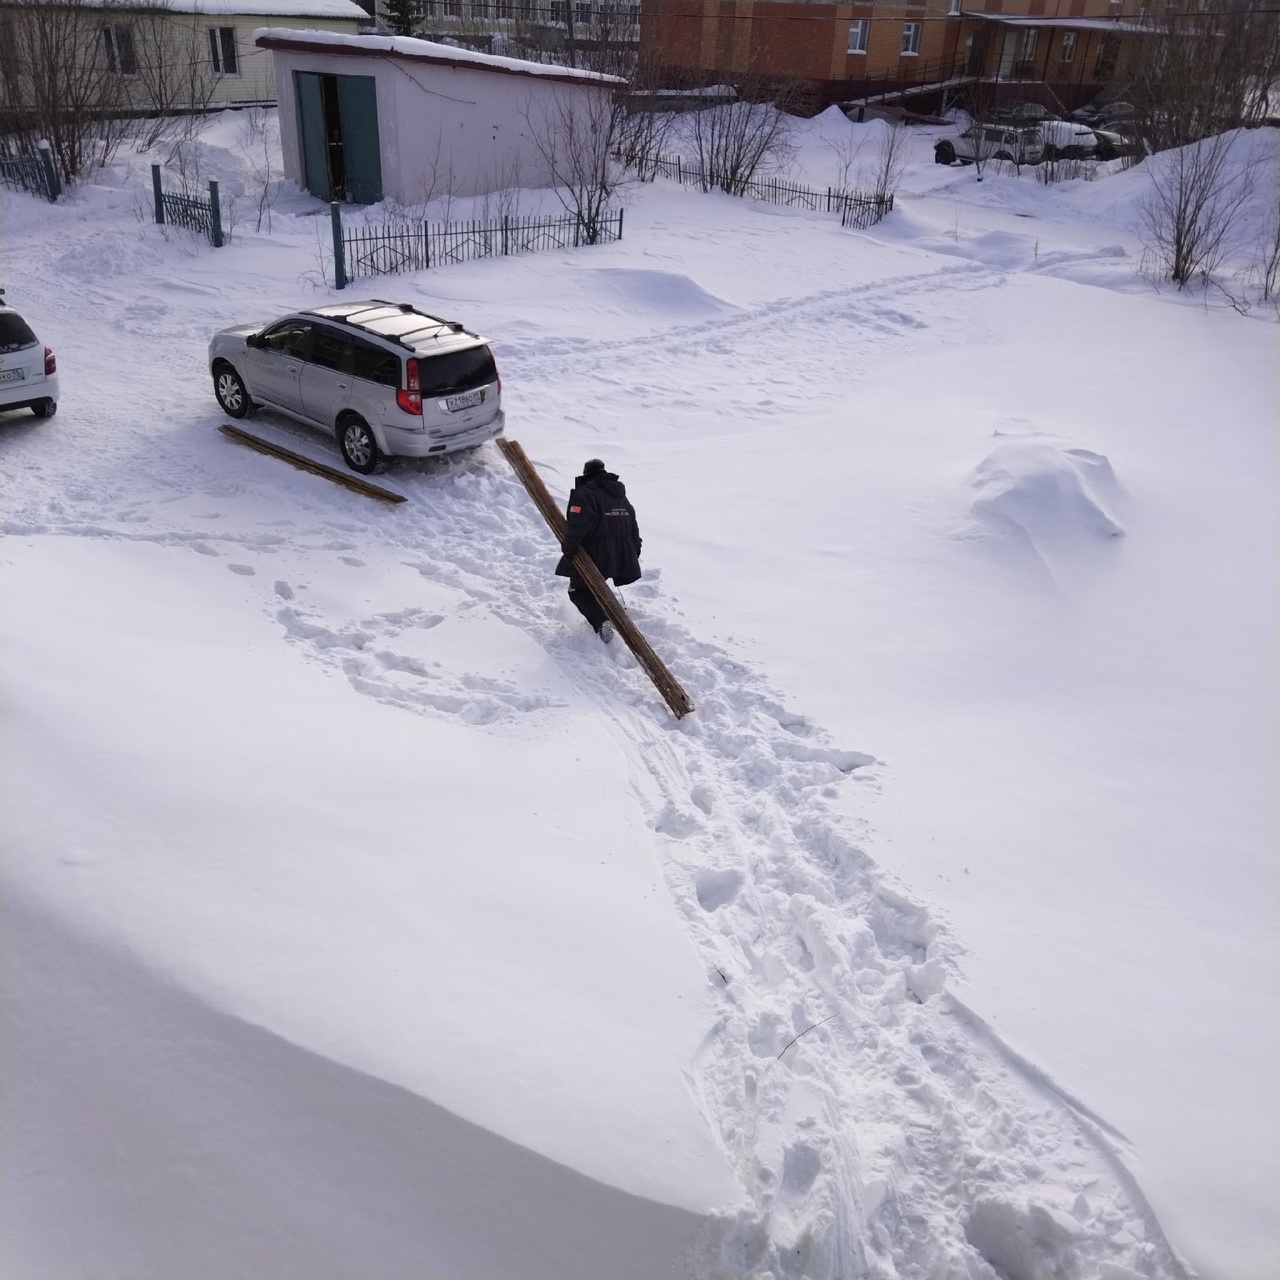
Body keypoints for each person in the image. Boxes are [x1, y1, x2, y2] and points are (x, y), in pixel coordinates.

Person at [555, 458, 642, 643]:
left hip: (596, 555)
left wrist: (568, 552)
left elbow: (577, 527)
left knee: (576, 590)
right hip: (623, 555)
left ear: (586, 473)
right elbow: (634, 528)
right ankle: (607, 614)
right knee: (597, 584)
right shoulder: (621, 497)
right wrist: (634, 552)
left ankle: (601, 621)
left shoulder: (585, 494)